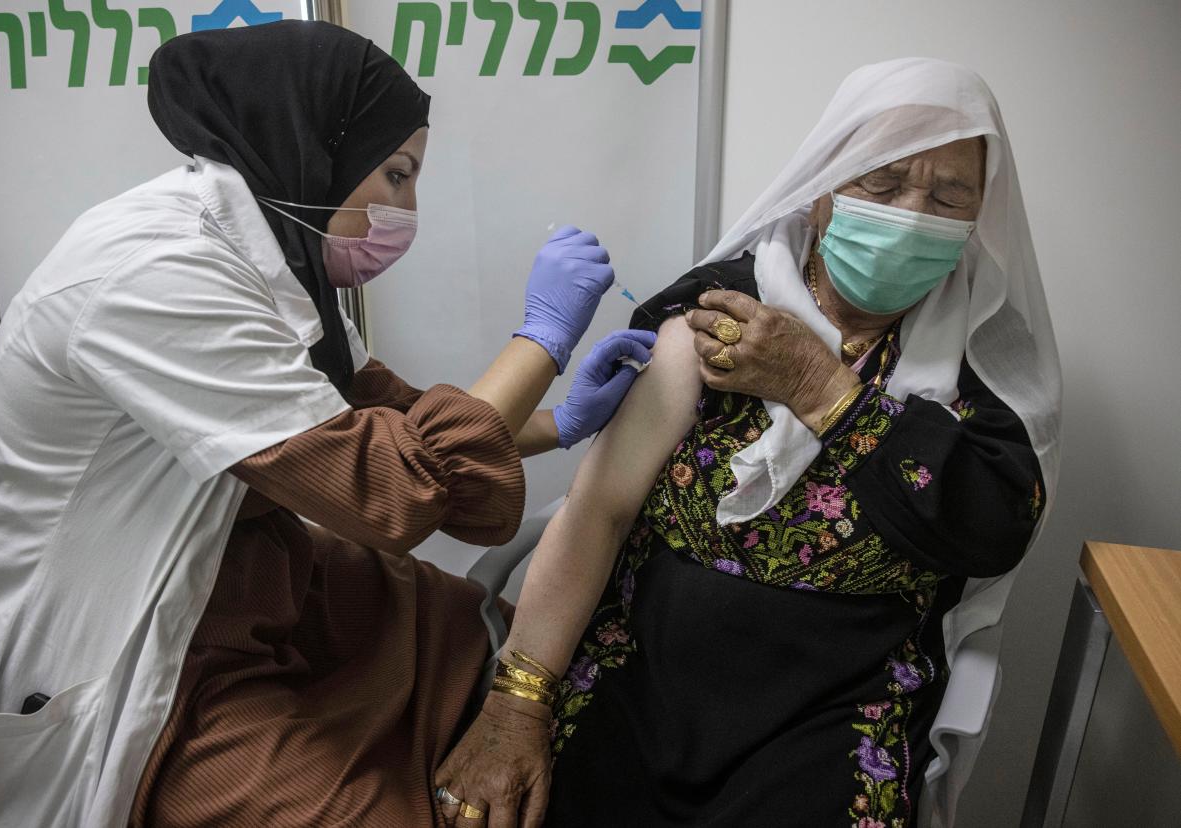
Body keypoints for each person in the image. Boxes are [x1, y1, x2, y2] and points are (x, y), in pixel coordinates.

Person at [0, 21, 655, 827]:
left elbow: (383, 414)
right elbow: (390, 492)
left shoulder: (266, 258)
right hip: (127, 646)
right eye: (394, 174)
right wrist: (540, 341)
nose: (405, 211)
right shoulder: (156, 273)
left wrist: (556, 423)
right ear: (316, 145)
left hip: (236, 571)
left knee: (465, 633)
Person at [435, 58, 1061, 827]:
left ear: (980, 215)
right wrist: (516, 707)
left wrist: (820, 387)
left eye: (948, 194)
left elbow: (990, 529)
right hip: (642, 665)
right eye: (882, 182)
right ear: (824, 185)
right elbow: (600, 509)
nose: (910, 214)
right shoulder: (721, 310)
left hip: (837, 709)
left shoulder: (986, 361)